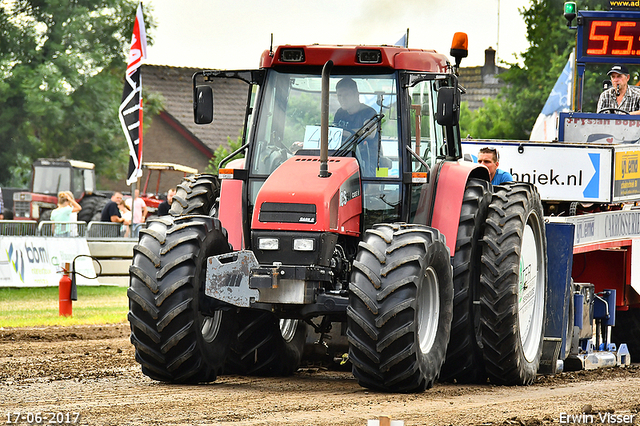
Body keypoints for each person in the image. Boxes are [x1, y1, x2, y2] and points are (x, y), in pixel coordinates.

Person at [334, 78, 378, 175]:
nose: (342, 99)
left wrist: (345, 132)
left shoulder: (369, 112)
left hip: (366, 165)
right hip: (342, 160)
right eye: (339, 95)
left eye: (346, 95)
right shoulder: (340, 113)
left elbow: (370, 132)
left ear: (356, 95)